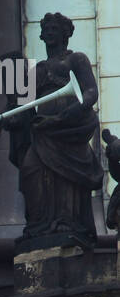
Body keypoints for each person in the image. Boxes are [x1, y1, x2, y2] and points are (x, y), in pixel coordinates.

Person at [6, 12, 102, 248]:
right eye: (46, 28)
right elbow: (22, 109)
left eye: (54, 28)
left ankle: (66, 222)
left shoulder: (76, 60)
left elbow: (91, 92)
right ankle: (38, 226)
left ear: (65, 34)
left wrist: (67, 115)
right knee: (30, 168)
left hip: (68, 130)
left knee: (65, 178)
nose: (49, 32)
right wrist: (4, 119)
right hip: (41, 133)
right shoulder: (36, 70)